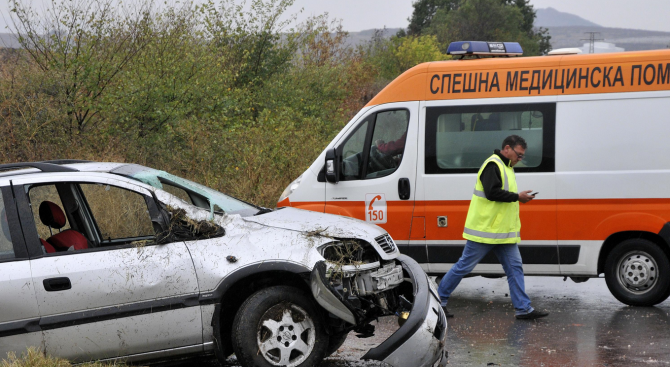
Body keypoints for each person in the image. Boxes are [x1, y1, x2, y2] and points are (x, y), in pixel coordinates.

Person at [438, 135, 549, 320]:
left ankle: (523, 308)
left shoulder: (507, 166)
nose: (520, 159)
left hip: (502, 232)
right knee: (463, 267)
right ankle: (438, 301)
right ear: (507, 148)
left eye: (522, 156)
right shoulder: (493, 164)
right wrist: (517, 197)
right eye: (519, 154)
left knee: (515, 268)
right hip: (485, 231)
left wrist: (518, 197)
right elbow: (492, 193)